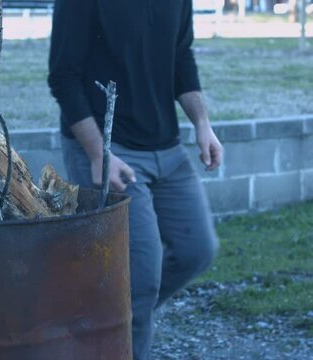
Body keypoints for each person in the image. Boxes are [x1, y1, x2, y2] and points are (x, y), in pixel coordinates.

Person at [48, 1, 223, 359]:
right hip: (108, 148)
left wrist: (203, 124)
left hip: (167, 147)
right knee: (140, 281)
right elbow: (62, 75)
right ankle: (116, 328)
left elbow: (181, 55)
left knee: (197, 251)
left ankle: (100, 317)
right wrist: (99, 154)